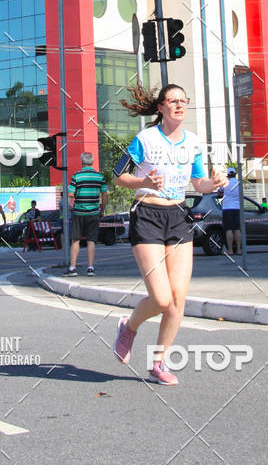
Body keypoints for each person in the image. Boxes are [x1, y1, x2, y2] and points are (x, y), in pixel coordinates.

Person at [112, 83, 227, 385]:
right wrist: (143, 181)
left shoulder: (193, 142)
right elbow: (118, 177)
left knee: (178, 299)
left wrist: (213, 184)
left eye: (183, 101)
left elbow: (198, 182)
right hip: (147, 214)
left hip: (177, 216)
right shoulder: (145, 139)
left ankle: (158, 363)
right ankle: (129, 326)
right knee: (161, 298)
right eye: (172, 101)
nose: (179, 105)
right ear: (160, 107)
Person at [66, 152, 108, 276]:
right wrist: (102, 210)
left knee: (75, 240)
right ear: (92, 162)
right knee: (91, 241)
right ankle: (90, 267)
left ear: (81, 162)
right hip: (94, 213)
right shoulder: (100, 176)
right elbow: (104, 196)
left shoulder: (76, 176)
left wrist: (72, 203)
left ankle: (72, 268)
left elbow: (70, 194)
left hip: (79, 212)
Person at [221, 166, 242, 256]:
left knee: (229, 229)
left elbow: (219, 192)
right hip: (237, 208)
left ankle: (230, 250)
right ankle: (238, 249)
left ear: (228, 175)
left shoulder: (225, 183)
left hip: (227, 208)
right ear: (235, 174)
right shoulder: (238, 183)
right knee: (237, 229)